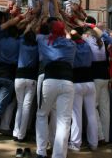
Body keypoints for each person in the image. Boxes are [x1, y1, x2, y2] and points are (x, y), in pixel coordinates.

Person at [36, 20, 76, 158]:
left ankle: (41, 151)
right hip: (67, 81)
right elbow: (69, 37)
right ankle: (58, 155)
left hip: (50, 80)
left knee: (42, 114)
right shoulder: (72, 44)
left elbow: (38, 33)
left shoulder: (43, 40)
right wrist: (64, 29)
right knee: (63, 120)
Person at [69, 28, 98, 152]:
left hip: (76, 82)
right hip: (90, 82)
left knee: (76, 115)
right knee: (91, 114)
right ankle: (94, 143)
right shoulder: (87, 45)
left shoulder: (71, 46)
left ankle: (76, 143)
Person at [13, 30, 38, 142]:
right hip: (31, 77)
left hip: (19, 76)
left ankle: (15, 131)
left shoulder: (21, 44)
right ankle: (21, 134)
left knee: (20, 105)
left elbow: (21, 35)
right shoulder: (37, 47)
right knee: (26, 106)